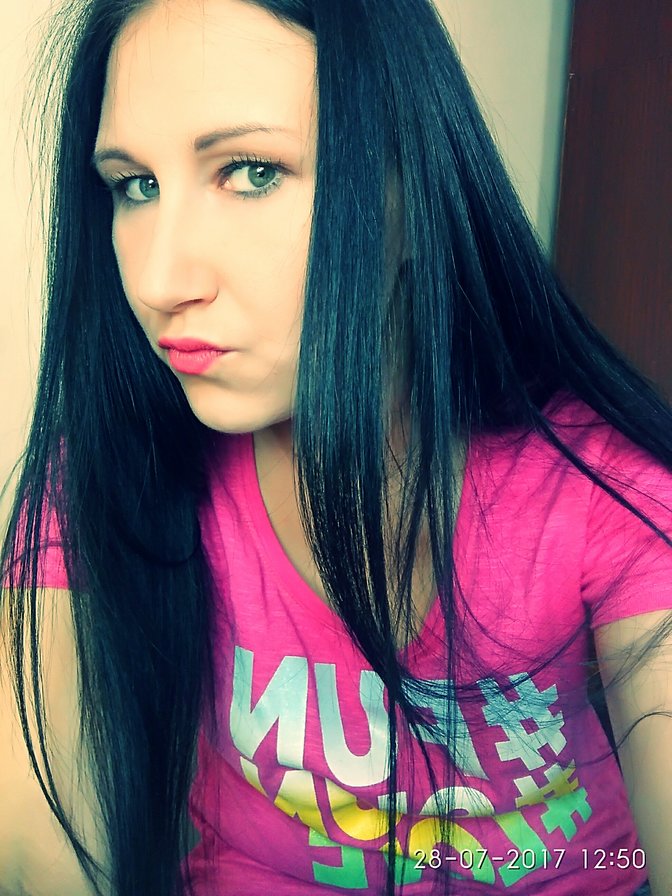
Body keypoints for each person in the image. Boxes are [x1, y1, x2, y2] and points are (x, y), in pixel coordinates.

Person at [1, 0, 671, 894]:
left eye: (250, 172)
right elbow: (36, 853)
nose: (160, 280)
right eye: (136, 186)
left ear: (410, 189)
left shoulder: (598, 488)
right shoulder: (107, 473)